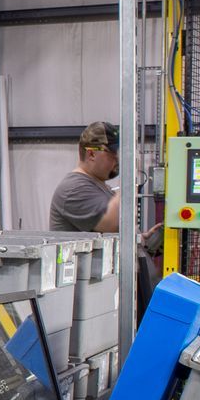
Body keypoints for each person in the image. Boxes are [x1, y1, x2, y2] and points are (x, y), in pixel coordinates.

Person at [49, 121, 157, 316]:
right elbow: (110, 223)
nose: (118, 160)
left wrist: (140, 238)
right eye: (114, 154)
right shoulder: (74, 188)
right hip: (84, 298)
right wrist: (130, 176)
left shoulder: (99, 185)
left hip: (101, 292)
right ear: (91, 153)